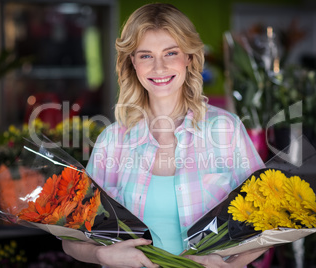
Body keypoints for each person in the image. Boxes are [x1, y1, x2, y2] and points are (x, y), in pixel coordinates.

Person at [62, 3, 267, 268]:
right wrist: (101, 255)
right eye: (146, 56)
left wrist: (231, 265)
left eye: (170, 53)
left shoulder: (226, 130)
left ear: (189, 57)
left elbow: (267, 222)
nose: (159, 68)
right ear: (132, 62)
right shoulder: (112, 142)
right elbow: (70, 238)